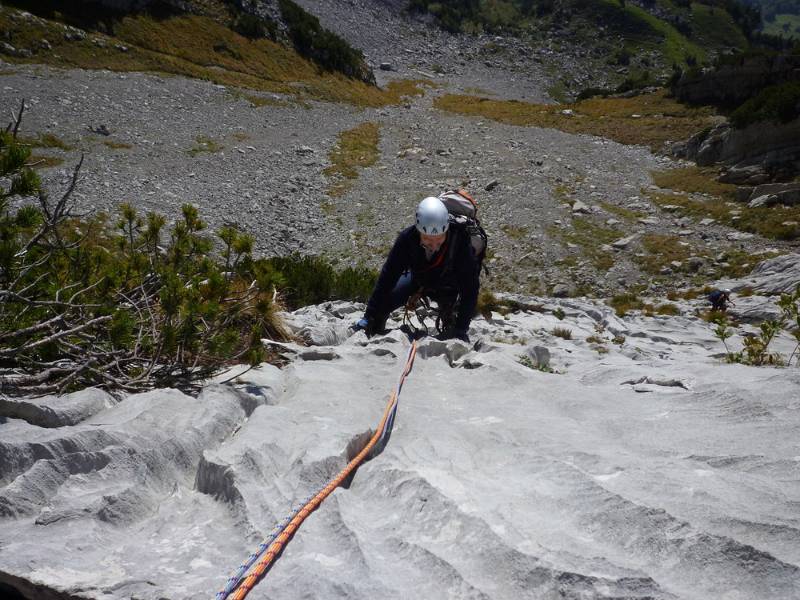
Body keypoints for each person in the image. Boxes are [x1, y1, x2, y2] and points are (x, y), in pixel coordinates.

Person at [354, 196, 481, 342]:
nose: (434, 246)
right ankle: (376, 325)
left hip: (449, 286)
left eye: (439, 240)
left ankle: (452, 323)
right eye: (427, 240)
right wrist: (369, 315)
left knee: (456, 317)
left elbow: (470, 288)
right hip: (419, 280)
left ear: (447, 230)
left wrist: (461, 329)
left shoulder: (460, 242)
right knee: (388, 300)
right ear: (418, 230)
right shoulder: (407, 239)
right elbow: (387, 277)